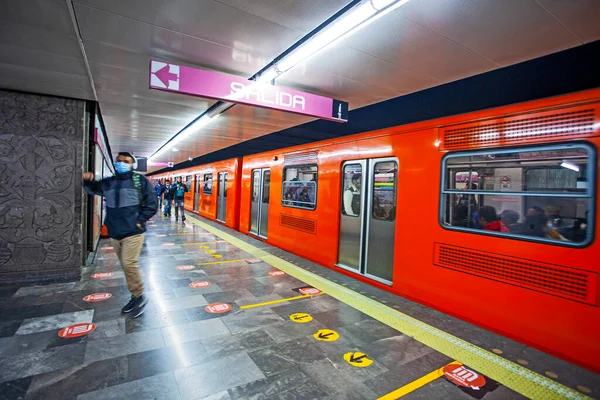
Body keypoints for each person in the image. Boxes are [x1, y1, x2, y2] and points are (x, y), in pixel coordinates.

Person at [82, 152, 157, 318]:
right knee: (124, 264)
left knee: (129, 263)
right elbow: (93, 189)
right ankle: (135, 294)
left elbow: (152, 204)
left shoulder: (140, 181)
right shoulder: (109, 182)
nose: (121, 163)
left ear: (132, 165)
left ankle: (138, 297)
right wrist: (87, 180)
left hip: (134, 231)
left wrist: (140, 220)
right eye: (119, 161)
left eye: (126, 161)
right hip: (115, 231)